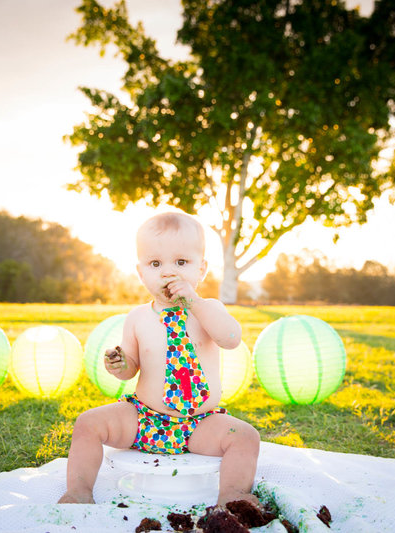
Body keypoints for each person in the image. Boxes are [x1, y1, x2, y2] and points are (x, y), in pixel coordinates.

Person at [58, 211, 260, 506]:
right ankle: (78, 492)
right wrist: (120, 364)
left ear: (201, 270)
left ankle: (232, 497)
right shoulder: (138, 317)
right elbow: (131, 369)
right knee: (87, 423)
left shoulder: (208, 309)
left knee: (245, 437)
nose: (168, 272)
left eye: (181, 263)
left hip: (199, 423)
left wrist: (195, 302)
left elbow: (230, 339)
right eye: (156, 264)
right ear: (141, 273)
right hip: (144, 418)